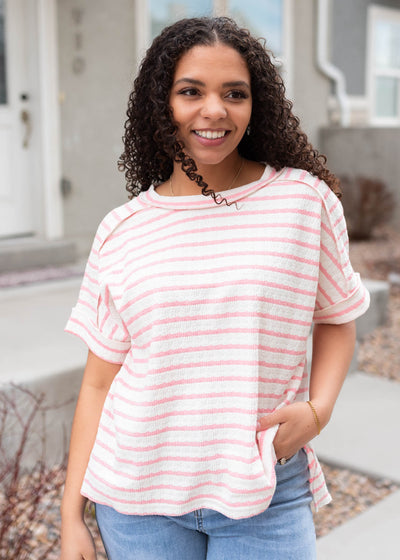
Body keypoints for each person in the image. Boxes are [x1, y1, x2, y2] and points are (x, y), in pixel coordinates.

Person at [60, 16, 370, 560]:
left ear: (257, 106)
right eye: (190, 92)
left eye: (234, 93)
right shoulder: (123, 229)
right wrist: (71, 516)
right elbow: (97, 386)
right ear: (163, 103)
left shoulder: (303, 201)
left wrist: (318, 410)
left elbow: (337, 317)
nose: (214, 110)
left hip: (264, 492)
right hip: (137, 498)